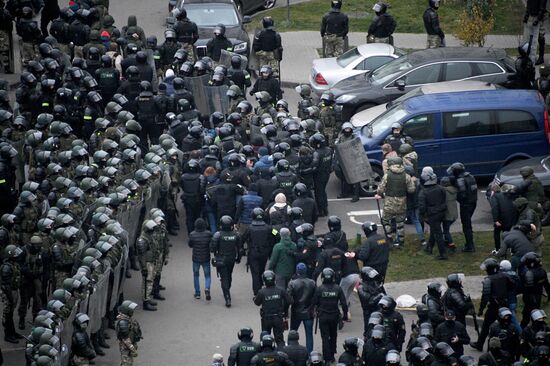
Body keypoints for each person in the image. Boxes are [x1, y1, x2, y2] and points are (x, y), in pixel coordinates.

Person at [471, 258, 512, 351]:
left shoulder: (488, 280)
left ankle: (479, 344)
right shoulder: (505, 276)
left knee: (486, 326)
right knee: (506, 325)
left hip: (494, 307)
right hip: (505, 305)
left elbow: (485, 297)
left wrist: (481, 309)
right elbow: (513, 286)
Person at [375, 156, 415, 248]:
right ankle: (401, 242)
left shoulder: (387, 175)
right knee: (400, 223)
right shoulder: (406, 176)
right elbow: (411, 190)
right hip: (401, 203)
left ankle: (389, 239)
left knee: (386, 221)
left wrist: (379, 194)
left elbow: (380, 189)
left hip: (389, 203)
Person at [312, 268, 349, 363]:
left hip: (323, 316)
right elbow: (344, 304)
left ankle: (326, 357)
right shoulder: (338, 288)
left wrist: (314, 311)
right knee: (333, 335)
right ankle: (332, 355)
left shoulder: (320, 289)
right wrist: (345, 315)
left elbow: (314, 303)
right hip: (334, 316)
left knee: (325, 337)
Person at [254, 270, 292, 349]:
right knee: (279, 339)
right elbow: (290, 301)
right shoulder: (280, 290)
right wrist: (284, 311)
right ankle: (281, 355)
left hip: (266, 318)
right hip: (278, 317)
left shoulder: (262, 292)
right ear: (274, 279)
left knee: (265, 338)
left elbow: (257, 303)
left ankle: (265, 355)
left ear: (264, 281)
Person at [210, 215, 242, 308]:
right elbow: (240, 249)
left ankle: (227, 297)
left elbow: (212, 248)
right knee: (229, 275)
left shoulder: (218, 235)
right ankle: (227, 290)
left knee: (224, 278)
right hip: (231, 259)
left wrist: (216, 252)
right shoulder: (236, 234)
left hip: (221, 258)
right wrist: (238, 258)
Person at [243, 207, 276, 296]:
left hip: (253, 252)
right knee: (261, 269)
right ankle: (261, 284)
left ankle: (257, 291)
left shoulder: (249, 228)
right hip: (264, 252)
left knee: (255, 273)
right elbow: (277, 234)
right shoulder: (269, 228)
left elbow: (242, 239)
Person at [447, 162, 478, 252]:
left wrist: (455, 193)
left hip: (466, 205)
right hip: (473, 202)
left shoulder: (460, 180)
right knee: (468, 224)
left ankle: (470, 246)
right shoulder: (470, 176)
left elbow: (462, 195)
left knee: (466, 226)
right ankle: (469, 243)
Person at [418, 169, 448, 260]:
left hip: (432, 214)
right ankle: (429, 247)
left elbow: (422, 207)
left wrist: (422, 216)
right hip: (442, 212)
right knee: (435, 230)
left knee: (437, 233)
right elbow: (444, 199)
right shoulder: (440, 188)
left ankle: (443, 254)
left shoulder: (423, 192)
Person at [287, 262, 316, 353]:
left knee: (292, 333)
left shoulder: (292, 283)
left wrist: (285, 310)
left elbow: (288, 298)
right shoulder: (312, 282)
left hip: (296, 312)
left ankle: (290, 352)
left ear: (297, 271)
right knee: (309, 334)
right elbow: (316, 297)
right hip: (309, 312)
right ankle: (309, 354)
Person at [520, 252, 550, 328]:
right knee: (536, 315)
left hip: (530, 298)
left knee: (527, 317)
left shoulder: (529, 274)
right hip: (538, 296)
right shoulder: (542, 271)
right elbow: (546, 285)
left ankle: (523, 332)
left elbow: (525, 288)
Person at [1, 244, 22, 343]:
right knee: (7, 314)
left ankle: (12, 332)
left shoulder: (14, 265)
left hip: (13, 291)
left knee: (11, 313)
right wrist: (10, 298)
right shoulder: (6, 267)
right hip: (8, 293)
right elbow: (6, 285)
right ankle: (8, 335)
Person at [357, 266, 385, 338]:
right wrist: (379, 296)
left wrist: (381, 288)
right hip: (369, 312)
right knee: (369, 331)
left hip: (379, 309)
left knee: (380, 330)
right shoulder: (361, 288)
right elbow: (369, 301)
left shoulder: (374, 283)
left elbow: (384, 295)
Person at [188, 218, 212, 300]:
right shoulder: (208, 234)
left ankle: (197, 293)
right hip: (206, 257)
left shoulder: (192, 234)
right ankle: (207, 288)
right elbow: (211, 244)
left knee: (196, 275)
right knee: (207, 275)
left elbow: (190, 245)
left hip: (196, 258)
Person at [489, 183, 517, 251]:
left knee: (497, 233)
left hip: (501, 220)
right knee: (508, 234)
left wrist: (496, 220)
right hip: (510, 219)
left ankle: (497, 249)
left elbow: (495, 208)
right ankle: (511, 248)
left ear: (492, 191)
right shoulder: (505, 195)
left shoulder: (494, 197)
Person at [115, 300, 142, 366]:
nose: (133, 311)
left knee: (127, 362)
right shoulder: (123, 323)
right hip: (126, 347)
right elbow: (125, 338)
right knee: (127, 363)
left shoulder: (127, 319)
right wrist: (132, 348)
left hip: (129, 345)